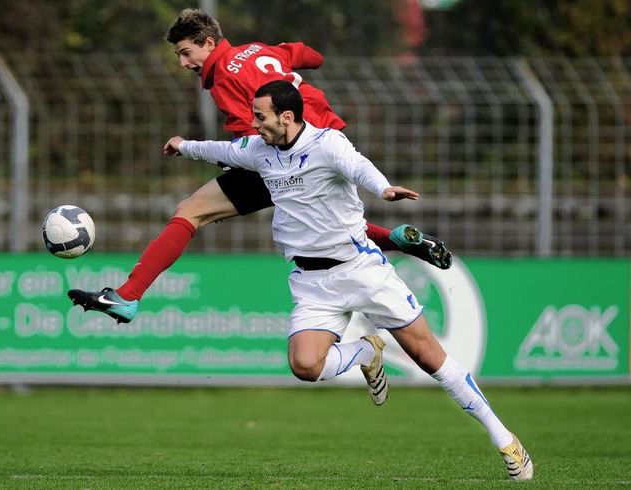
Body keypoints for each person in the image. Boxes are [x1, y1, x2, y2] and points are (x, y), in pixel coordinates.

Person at [157, 80, 533, 480]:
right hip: (311, 282)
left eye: (260, 116)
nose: (254, 122)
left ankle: (506, 440)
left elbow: (358, 166)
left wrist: (384, 188)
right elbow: (220, 149)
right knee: (305, 365)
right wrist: (183, 145)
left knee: (429, 358)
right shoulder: (259, 150)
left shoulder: (327, 144)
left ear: (287, 116)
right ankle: (366, 352)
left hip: (361, 270)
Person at [66, 8, 451, 324]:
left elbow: (249, 141)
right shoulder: (257, 50)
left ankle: (127, 296)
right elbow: (308, 54)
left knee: (190, 212)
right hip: (326, 142)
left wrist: (191, 147)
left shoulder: (226, 78)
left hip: (290, 150)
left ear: (209, 43)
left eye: (186, 53)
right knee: (324, 220)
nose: (184, 63)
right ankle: (398, 239)